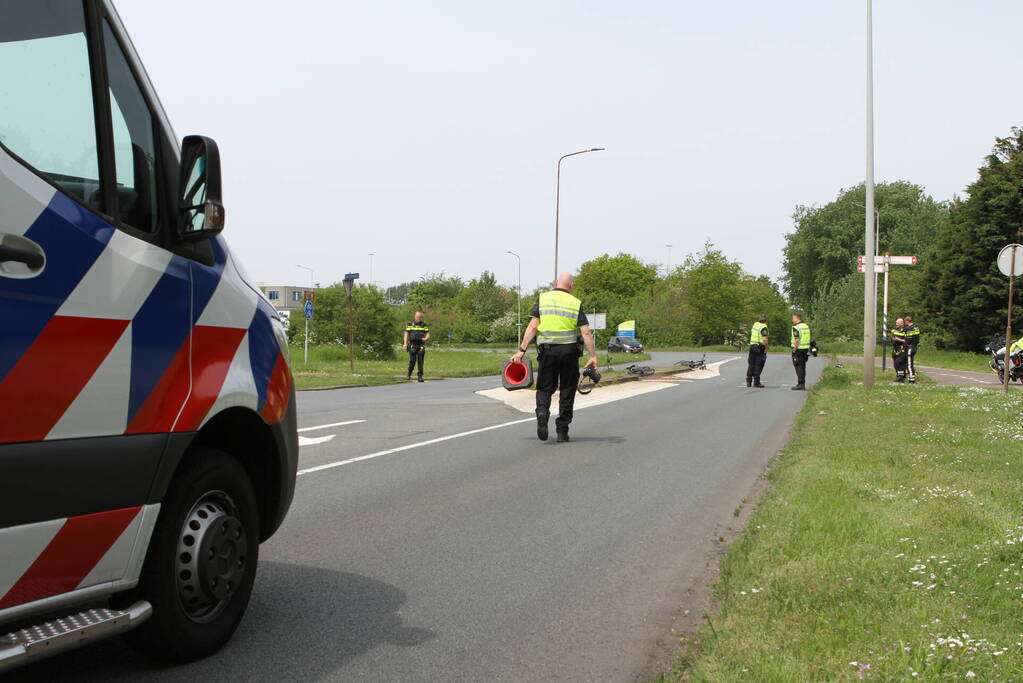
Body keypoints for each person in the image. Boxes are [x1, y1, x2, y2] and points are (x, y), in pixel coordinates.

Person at [509, 272, 597, 443]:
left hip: (547, 352)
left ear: (556, 282)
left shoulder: (542, 299)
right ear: (571, 285)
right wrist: (592, 356)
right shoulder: (575, 303)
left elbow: (532, 328)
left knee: (544, 387)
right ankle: (562, 431)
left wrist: (521, 350)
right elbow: (586, 332)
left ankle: (542, 412)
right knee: (567, 390)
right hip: (569, 353)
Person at [403, 311, 430, 382]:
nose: (418, 318)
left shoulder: (423, 325)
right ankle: (409, 374)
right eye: (417, 316)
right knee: (413, 360)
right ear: (414, 316)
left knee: (420, 360)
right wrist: (405, 343)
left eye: (419, 317)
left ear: (421, 317)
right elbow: (406, 334)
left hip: (421, 344)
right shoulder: (410, 324)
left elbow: (427, 334)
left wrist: (425, 338)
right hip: (412, 344)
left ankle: (420, 376)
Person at [746, 314, 769, 388]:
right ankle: (756, 382)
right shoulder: (764, 327)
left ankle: (748, 381)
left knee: (751, 364)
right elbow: (764, 339)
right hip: (760, 347)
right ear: (766, 320)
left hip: (752, 346)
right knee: (759, 364)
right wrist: (766, 347)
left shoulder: (755, 324)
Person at [790, 312, 811, 390]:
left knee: (798, 367)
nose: (792, 320)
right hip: (805, 349)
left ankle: (800, 384)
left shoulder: (796, 327)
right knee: (802, 366)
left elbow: (797, 339)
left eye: (793, 318)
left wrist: (794, 349)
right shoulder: (806, 326)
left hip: (798, 349)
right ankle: (802, 383)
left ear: (797, 318)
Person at [902, 315, 920, 383]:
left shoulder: (909, 329)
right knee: (910, 363)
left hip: (910, 348)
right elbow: (917, 339)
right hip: (914, 347)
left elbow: (908, 339)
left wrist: (905, 343)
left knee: (909, 364)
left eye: (905, 322)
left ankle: (912, 379)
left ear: (907, 321)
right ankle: (912, 377)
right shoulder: (916, 328)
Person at [891, 317, 908, 382]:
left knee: (900, 362)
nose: (896, 324)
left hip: (902, 348)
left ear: (902, 323)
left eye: (897, 323)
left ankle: (901, 377)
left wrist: (897, 339)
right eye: (896, 323)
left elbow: (906, 339)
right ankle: (898, 375)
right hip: (895, 348)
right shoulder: (896, 329)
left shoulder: (905, 330)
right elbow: (893, 336)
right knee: (895, 363)